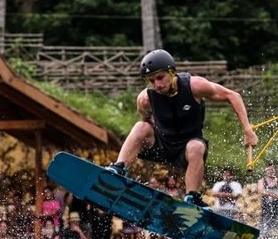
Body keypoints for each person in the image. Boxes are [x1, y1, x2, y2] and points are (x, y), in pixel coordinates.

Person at [105, 49, 258, 210]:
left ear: (172, 72)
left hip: (188, 148)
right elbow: (145, 121)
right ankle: (118, 169)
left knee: (196, 146)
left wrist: (247, 130)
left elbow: (233, 96)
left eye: (160, 77)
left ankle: (192, 197)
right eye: (151, 80)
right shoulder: (145, 99)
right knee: (140, 126)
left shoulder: (195, 86)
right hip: (162, 146)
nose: (157, 84)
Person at [258, 162, 278, 239]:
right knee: (264, 232)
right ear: (265, 170)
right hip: (266, 209)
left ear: (275, 170)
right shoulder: (262, 181)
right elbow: (261, 191)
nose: (271, 171)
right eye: (269, 169)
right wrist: (274, 195)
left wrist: (275, 194)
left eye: (273, 169)